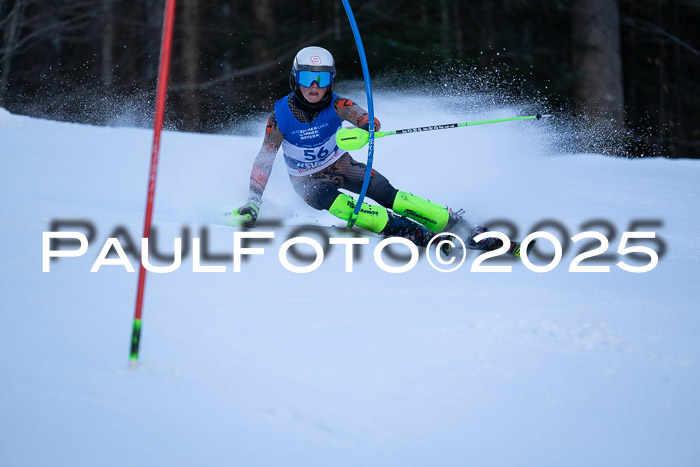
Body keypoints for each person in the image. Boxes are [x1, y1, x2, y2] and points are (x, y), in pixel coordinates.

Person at [234, 46, 515, 255]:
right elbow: (265, 158)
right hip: (308, 182)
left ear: (331, 81)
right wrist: (253, 202)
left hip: (339, 165)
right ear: (296, 78)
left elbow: (359, 114)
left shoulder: (336, 104)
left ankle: (453, 222)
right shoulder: (280, 117)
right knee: (342, 204)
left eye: (322, 79)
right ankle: (403, 229)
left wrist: (367, 123)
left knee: (385, 191)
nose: (315, 87)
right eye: (308, 78)